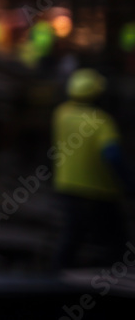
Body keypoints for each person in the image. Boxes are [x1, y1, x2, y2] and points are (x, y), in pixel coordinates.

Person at [52, 68, 134, 268]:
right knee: (115, 240)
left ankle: (56, 277)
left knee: (73, 235)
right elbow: (113, 155)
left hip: (67, 185)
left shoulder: (61, 113)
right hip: (99, 190)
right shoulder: (102, 122)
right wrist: (129, 183)